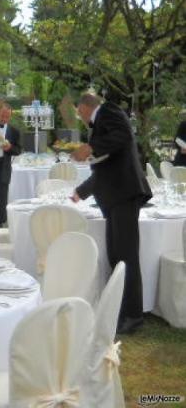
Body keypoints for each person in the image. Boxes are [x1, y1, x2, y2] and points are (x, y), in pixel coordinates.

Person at [71, 93, 151, 334]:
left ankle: (134, 315)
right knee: (116, 256)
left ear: (85, 107)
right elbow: (105, 169)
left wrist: (90, 147)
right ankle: (119, 309)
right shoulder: (99, 127)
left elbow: (124, 136)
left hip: (125, 195)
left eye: (79, 112)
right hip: (114, 198)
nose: (79, 117)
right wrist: (80, 192)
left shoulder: (109, 110)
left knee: (127, 257)